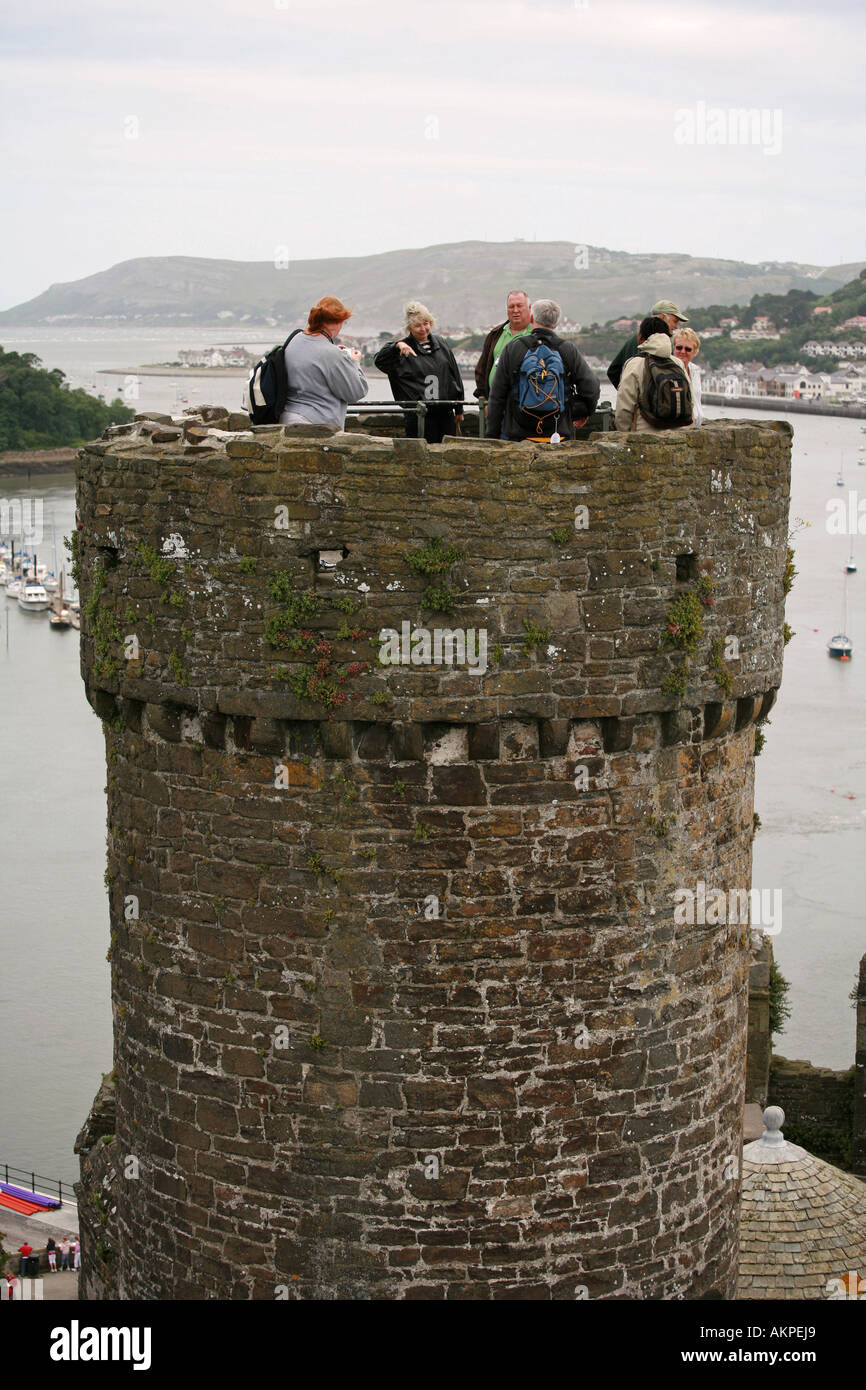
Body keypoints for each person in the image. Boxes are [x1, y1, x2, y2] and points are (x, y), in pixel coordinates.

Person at [484, 298, 599, 442]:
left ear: (531, 318)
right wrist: (580, 412)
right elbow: (591, 388)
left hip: (519, 435)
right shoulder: (567, 350)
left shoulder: (513, 348)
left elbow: (497, 396)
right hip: (558, 434)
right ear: (557, 323)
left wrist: (492, 436)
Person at [374, 302, 464, 443]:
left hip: (445, 413)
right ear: (409, 327)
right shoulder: (402, 350)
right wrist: (396, 345)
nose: (423, 329)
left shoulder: (442, 344)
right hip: (418, 416)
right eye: (417, 326)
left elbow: (454, 375)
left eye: (426, 323)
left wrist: (459, 408)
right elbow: (379, 361)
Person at [278, 295, 369, 429]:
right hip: (317, 425)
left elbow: (313, 358)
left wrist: (337, 356)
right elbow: (356, 392)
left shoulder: (295, 339)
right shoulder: (331, 354)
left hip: (286, 418)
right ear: (338, 322)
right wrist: (354, 362)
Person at [614, 315, 691, 432]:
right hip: (677, 437)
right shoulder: (677, 363)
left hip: (644, 437)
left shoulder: (635, 364)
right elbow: (690, 401)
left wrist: (624, 434)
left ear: (641, 337)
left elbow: (624, 407)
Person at [608, 300, 690, 389]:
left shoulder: (633, 340)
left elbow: (613, 371)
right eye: (675, 321)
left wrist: (626, 392)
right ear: (662, 317)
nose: (676, 326)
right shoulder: (659, 346)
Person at [474, 289, 534, 399]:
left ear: (529, 308)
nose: (515, 310)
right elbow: (481, 370)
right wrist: (484, 399)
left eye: (519, 306)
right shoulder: (495, 334)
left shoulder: (536, 335)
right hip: (495, 404)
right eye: (511, 306)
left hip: (525, 407)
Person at [673, 326, 704, 425]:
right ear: (673, 348)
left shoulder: (695, 370)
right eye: (679, 347)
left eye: (688, 349)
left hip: (696, 428)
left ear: (695, 352)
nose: (682, 351)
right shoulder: (667, 371)